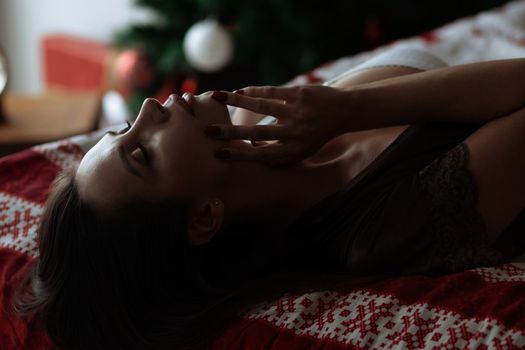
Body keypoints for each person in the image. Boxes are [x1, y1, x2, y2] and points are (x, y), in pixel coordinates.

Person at [11, 48, 525, 349]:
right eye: (142, 152)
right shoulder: (386, 228)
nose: (149, 106)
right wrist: (352, 109)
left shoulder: (262, 123)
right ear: (205, 217)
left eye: (125, 128)